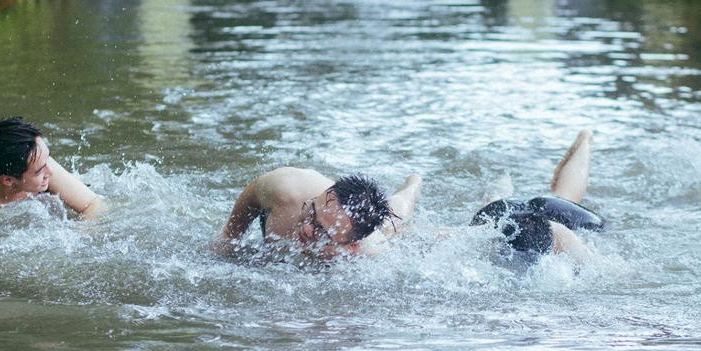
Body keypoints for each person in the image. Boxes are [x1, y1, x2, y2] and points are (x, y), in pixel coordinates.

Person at [217, 167, 422, 259]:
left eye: (322, 232)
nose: (306, 229)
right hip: (312, 192)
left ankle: (414, 182)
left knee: (393, 222)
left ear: (352, 247)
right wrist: (229, 236)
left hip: (371, 236)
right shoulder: (284, 189)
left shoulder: (370, 254)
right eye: (311, 214)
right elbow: (251, 197)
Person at [470, 129, 603, 259]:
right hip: (503, 211)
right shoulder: (486, 232)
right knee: (563, 197)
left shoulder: (560, 237)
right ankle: (500, 190)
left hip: (529, 216)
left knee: (566, 197)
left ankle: (585, 138)